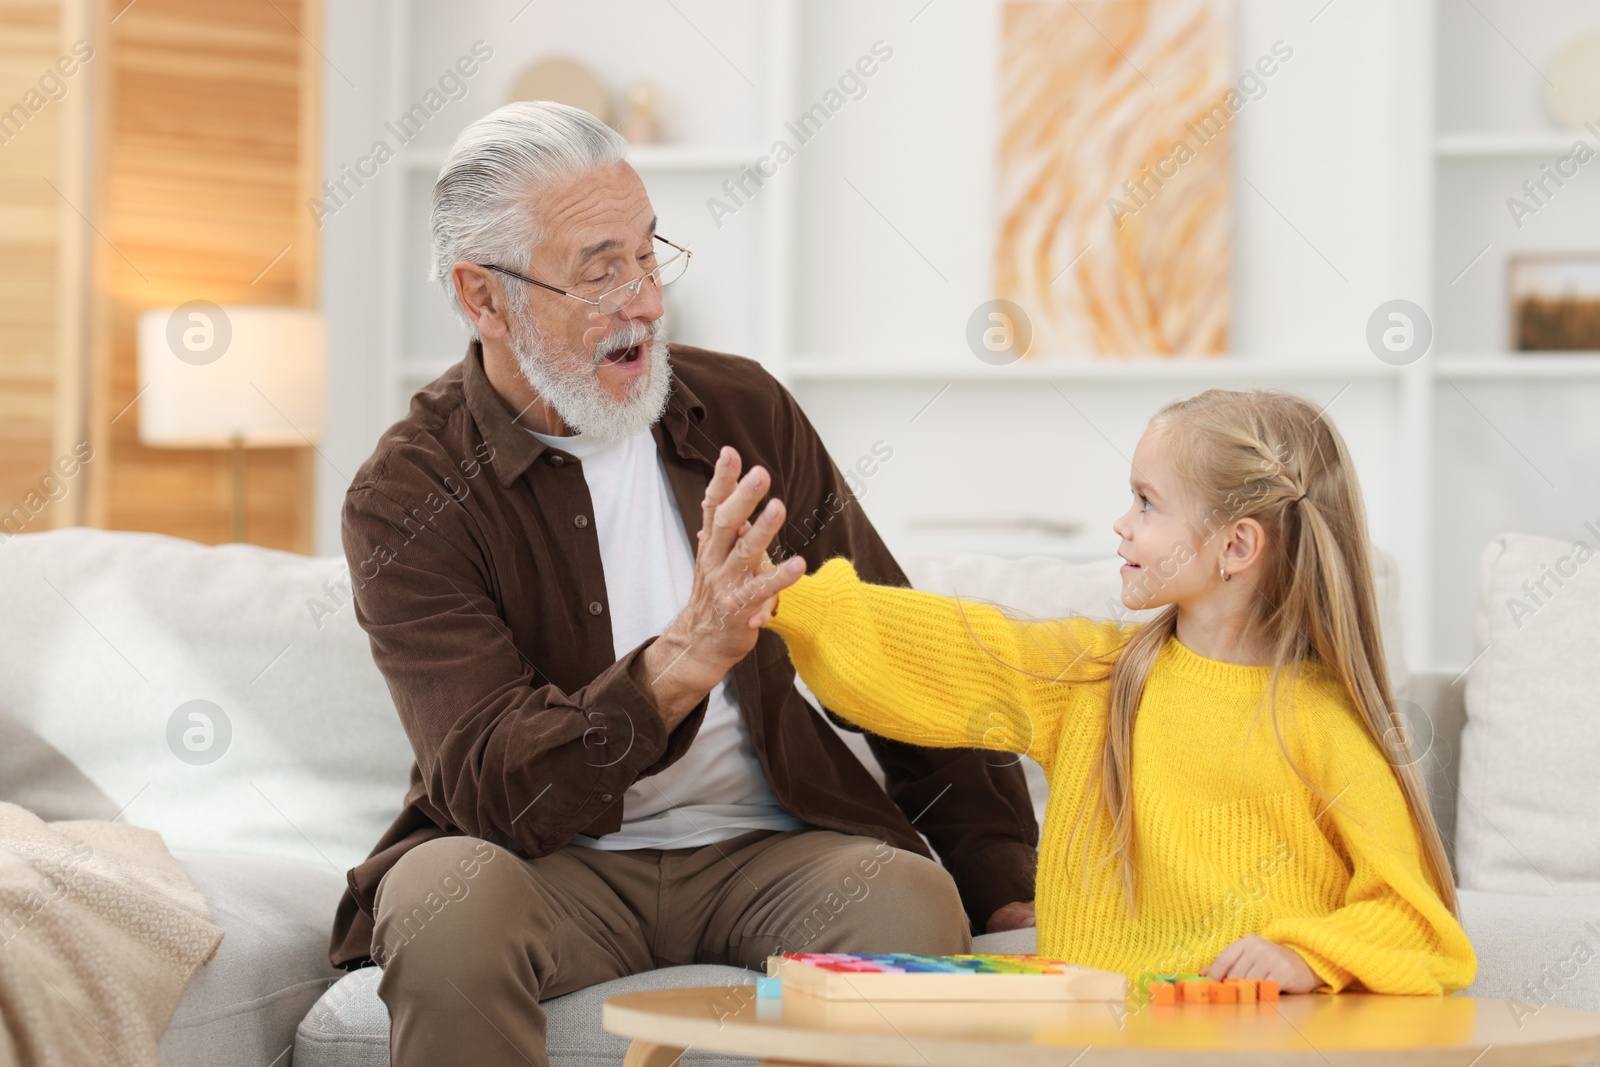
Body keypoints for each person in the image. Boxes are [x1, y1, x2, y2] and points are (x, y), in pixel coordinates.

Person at [331, 101, 1038, 1067]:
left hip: (765, 850)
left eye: (647, 253)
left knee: (904, 896)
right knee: (440, 903)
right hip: (548, 867)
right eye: (599, 268)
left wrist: (1004, 876)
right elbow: (492, 787)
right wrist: (675, 667)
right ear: (483, 298)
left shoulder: (741, 409)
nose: (647, 301)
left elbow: (897, 638)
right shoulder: (407, 493)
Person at [705, 388, 1477, 995]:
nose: (1121, 523)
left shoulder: (1323, 725)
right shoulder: (1094, 678)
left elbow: (1417, 921)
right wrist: (789, 599)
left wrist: (1305, 957)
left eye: (1146, 502)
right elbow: (948, 652)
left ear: (1237, 545)